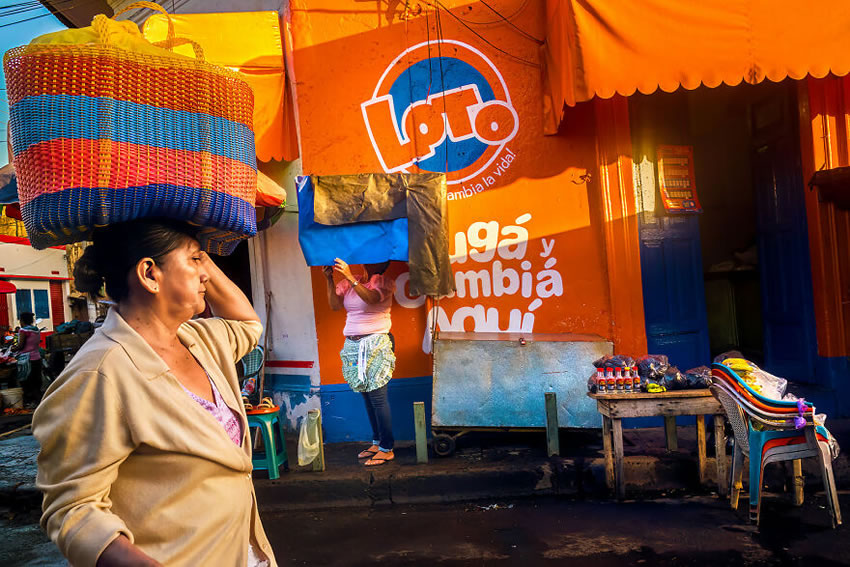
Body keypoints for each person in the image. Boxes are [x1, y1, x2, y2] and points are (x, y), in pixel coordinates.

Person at [32, 219, 277, 567]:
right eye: (194, 261)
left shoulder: (201, 341)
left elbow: (247, 324)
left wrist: (195, 248)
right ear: (149, 274)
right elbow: (72, 509)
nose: (206, 274)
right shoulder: (101, 371)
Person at [323, 257, 396, 466]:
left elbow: (372, 299)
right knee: (365, 395)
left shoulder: (382, 282)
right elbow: (335, 306)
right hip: (354, 346)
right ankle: (376, 442)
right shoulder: (351, 281)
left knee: (378, 398)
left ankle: (387, 447)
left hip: (376, 344)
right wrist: (329, 279)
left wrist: (347, 275)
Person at [15, 311, 42, 405]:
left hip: (27, 360)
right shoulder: (36, 330)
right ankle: (39, 402)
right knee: (36, 382)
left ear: (22, 320)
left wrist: (14, 348)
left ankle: (29, 402)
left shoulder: (23, 330)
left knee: (27, 382)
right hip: (37, 358)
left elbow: (21, 346)